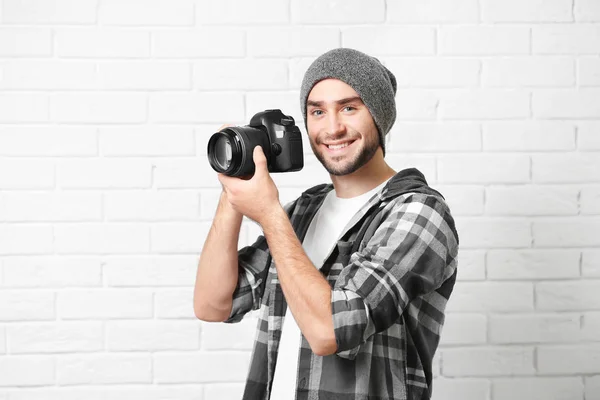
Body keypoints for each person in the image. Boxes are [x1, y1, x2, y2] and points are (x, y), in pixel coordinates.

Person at [194, 48, 459, 400]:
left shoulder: (419, 212)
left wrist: (270, 214)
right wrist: (233, 190)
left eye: (349, 108)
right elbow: (213, 304)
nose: (332, 128)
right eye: (317, 111)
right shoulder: (302, 212)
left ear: (379, 117)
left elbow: (329, 330)